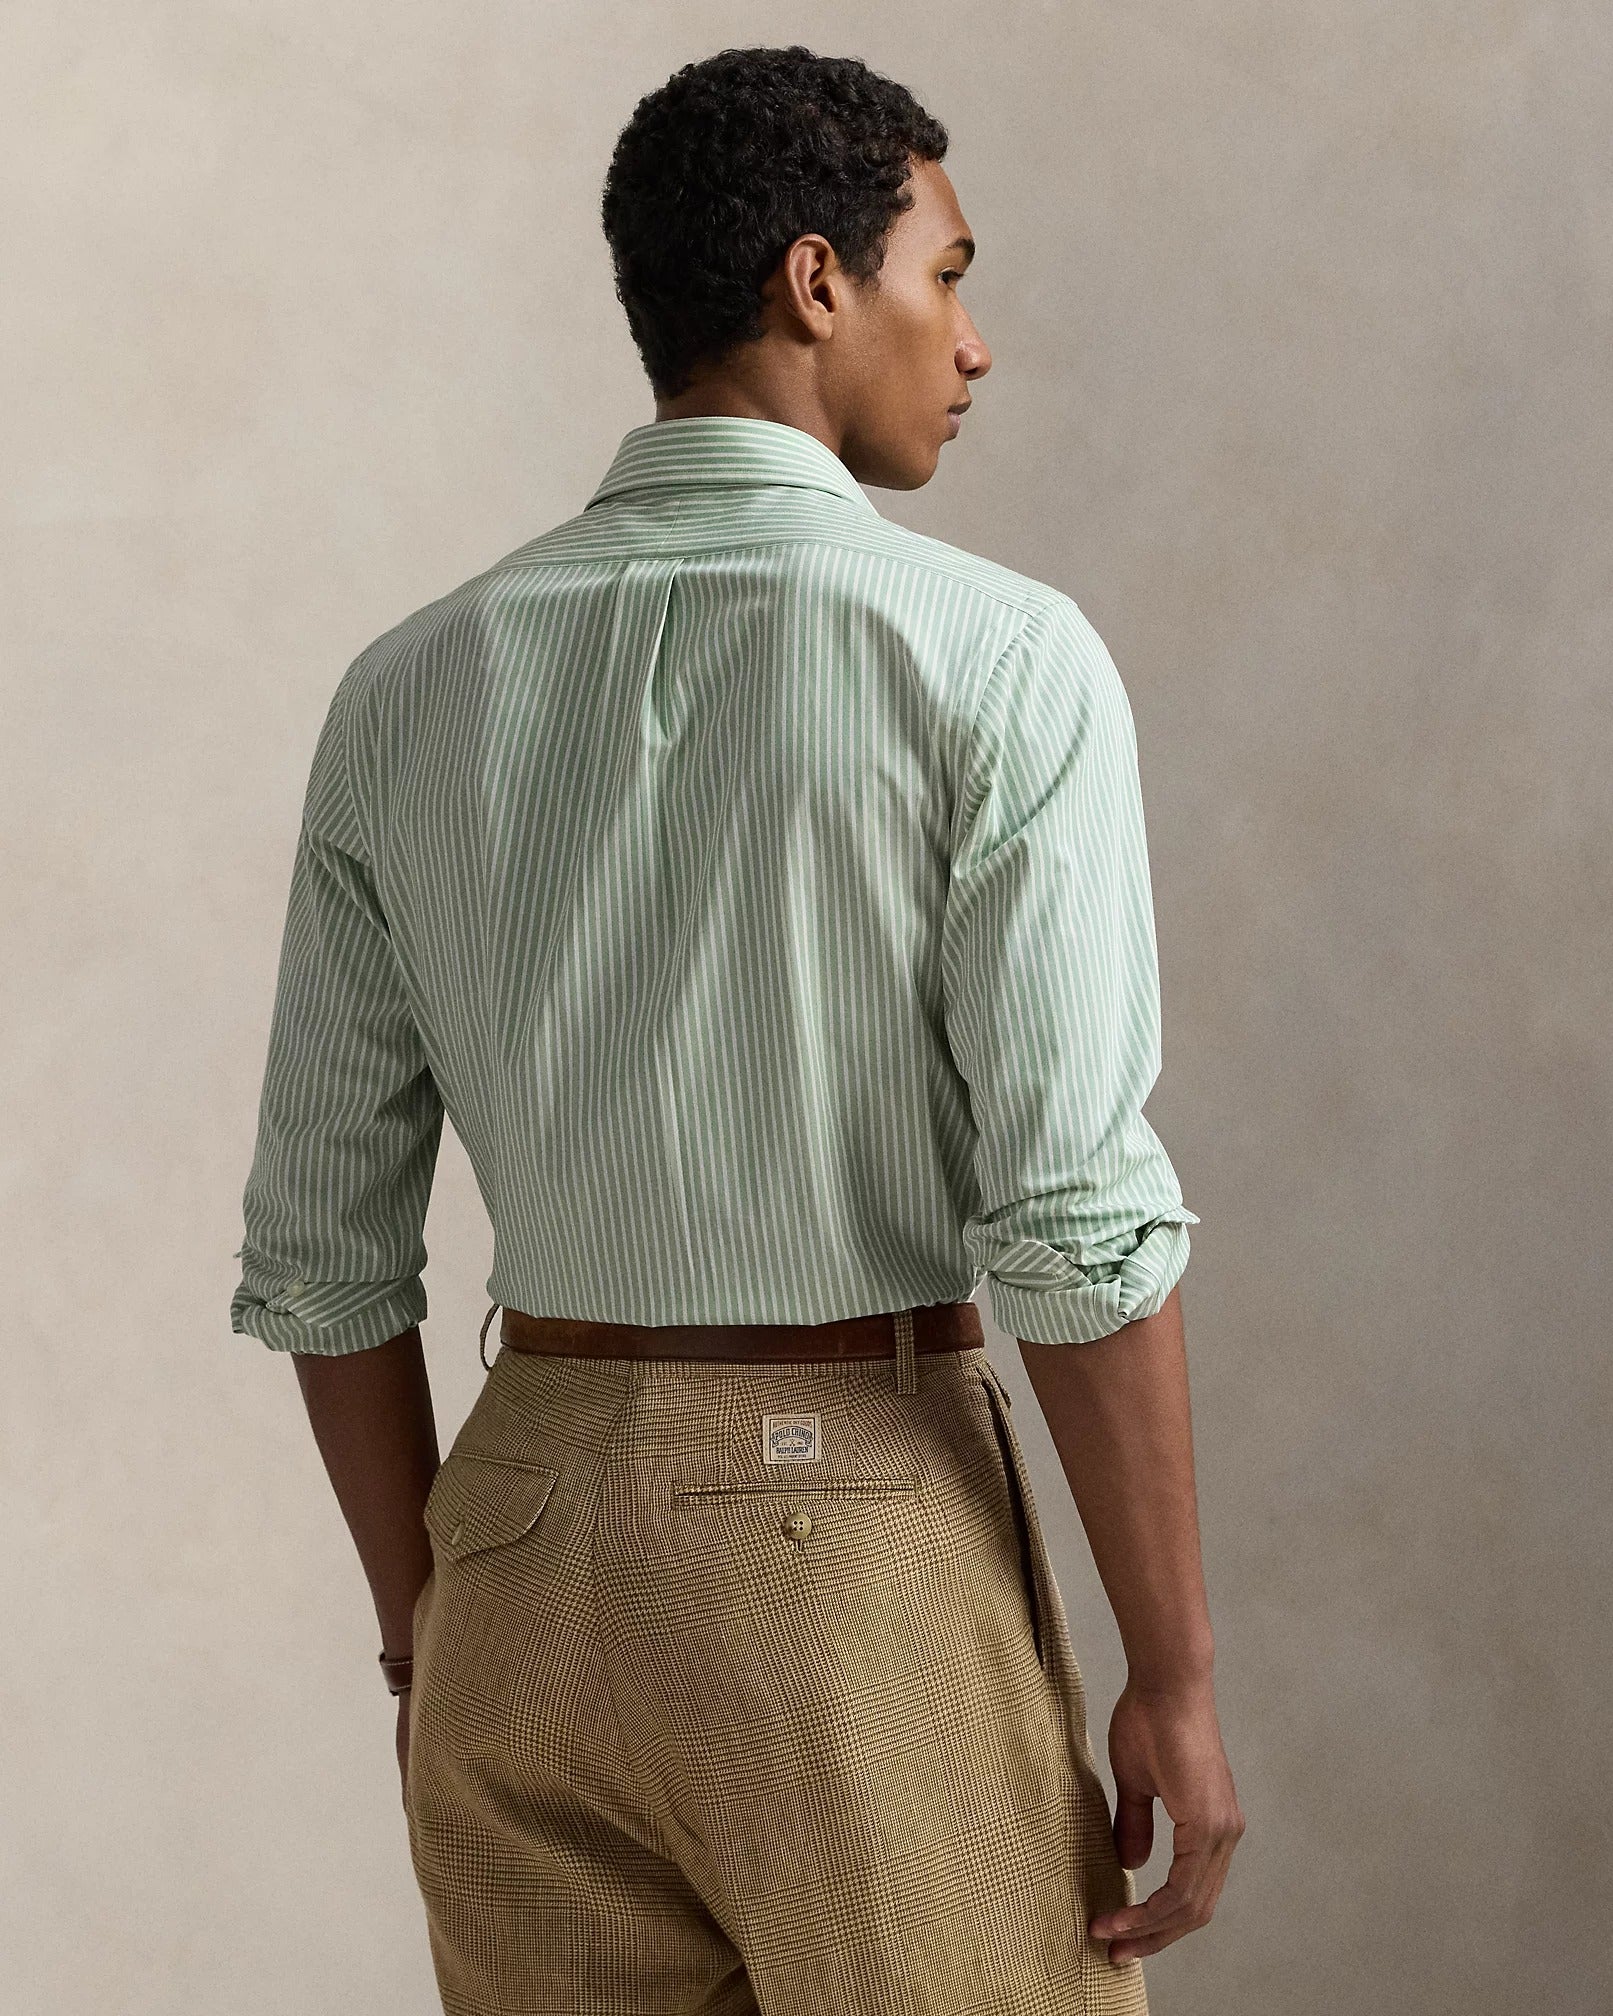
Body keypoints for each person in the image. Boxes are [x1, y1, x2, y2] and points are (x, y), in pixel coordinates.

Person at [229, 42, 1244, 2015]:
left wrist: (432, 1634)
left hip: (516, 1553)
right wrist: (1178, 1676)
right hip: (851, 1543)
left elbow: (322, 1255)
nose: (973, 342)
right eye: (945, 275)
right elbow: (1072, 1221)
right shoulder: (996, 657)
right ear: (816, 282)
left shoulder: (409, 687)